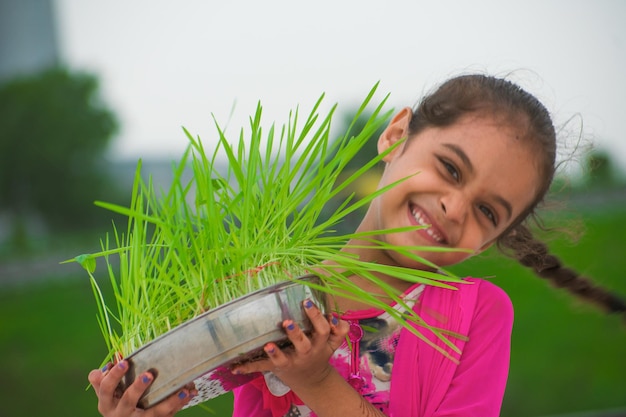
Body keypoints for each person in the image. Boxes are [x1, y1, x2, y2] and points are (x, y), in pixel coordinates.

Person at [88, 74, 626, 417]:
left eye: (488, 212)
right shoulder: (270, 290)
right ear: (396, 136)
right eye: (449, 168)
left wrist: (316, 380)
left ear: (497, 237)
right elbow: (184, 380)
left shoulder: (476, 315)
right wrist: (135, 405)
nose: (455, 208)